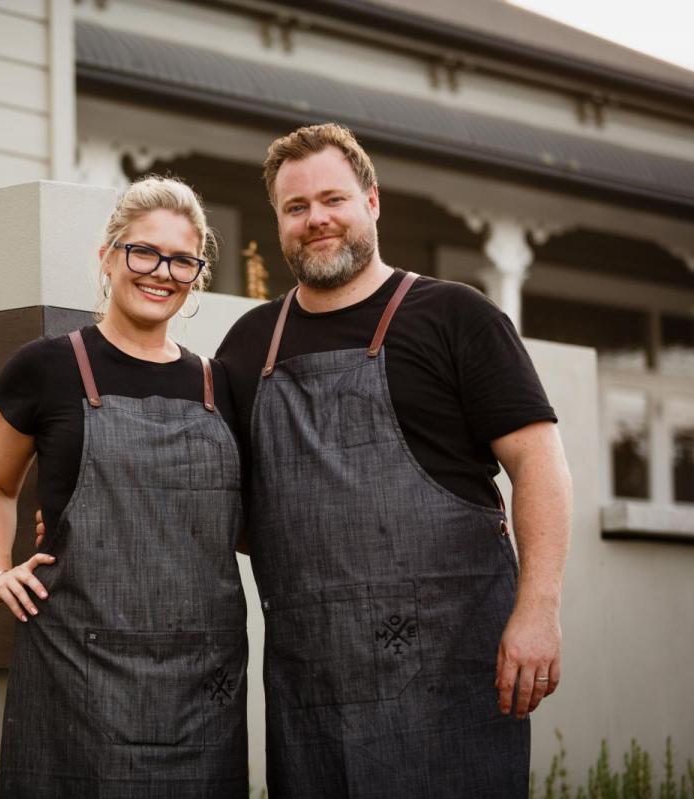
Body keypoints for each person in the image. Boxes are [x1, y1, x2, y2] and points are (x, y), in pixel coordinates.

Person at [215, 123, 573, 797]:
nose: (316, 219)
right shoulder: (247, 346)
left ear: (372, 201)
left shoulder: (457, 317)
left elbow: (539, 465)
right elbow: (216, 498)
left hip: (453, 669)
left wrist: (538, 611)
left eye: (333, 199)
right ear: (279, 221)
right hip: (311, 683)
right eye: (296, 207)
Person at [0, 176, 250, 797]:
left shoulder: (220, 385)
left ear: (196, 275)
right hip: (76, 667)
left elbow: (240, 520)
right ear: (107, 256)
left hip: (203, 682)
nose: (162, 273)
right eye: (143, 252)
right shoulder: (44, 368)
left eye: (181, 260)